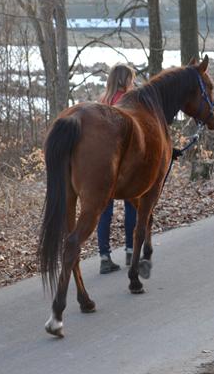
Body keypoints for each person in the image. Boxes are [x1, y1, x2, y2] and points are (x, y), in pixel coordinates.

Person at [97, 64, 137, 274]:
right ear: (124, 80)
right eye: (131, 78)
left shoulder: (102, 101)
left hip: (103, 163)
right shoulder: (127, 101)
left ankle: (104, 256)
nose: (133, 82)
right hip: (125, 163)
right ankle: (130, 250)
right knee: (132, 205)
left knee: (104, 211)